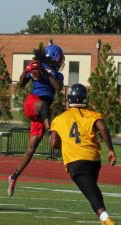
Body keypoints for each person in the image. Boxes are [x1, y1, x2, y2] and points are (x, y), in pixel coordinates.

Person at [50, 83, 117, 225]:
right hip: (93, 160)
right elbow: (103, 127)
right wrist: (110, 149)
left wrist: (68, 142)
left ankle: (105, 218)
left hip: (75, 160)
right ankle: (103, 217)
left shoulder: (59, 119)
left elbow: (54, 143)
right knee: (92, 188)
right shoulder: (92, 115)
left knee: (90, 191)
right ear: (86, 99)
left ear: (69, 99)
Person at [7, 44, 65, 197]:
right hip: (33, 103)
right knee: (44, 105)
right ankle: (51, 129)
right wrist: (27, 71)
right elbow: (21, 84)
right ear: (54, 57)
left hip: (43, 113)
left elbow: (58, 87)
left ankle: (14, 177)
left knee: (31, 148)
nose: (60, 62)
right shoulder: (40, 66)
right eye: (59, 59)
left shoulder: (56, 75)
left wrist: (47, 72)